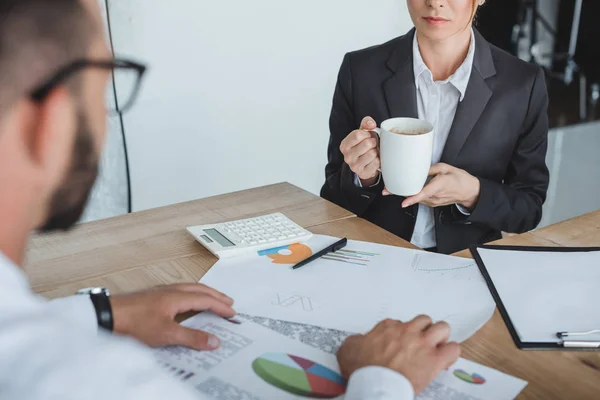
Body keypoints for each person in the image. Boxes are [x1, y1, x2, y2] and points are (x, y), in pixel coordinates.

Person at [0, 0, 460, 399]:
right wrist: (383, 382)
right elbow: (334, 187)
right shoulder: (96, 381)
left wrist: (95, 311)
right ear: (51, 124)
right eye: (105, 81)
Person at [321, 0, 550, 254]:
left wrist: (473, 193)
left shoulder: (522, 85)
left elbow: (528, 210)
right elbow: (331, 199)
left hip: (466, 263)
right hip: (374, 257)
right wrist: (361, 178)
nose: (435, 3)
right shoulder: (360, 71)